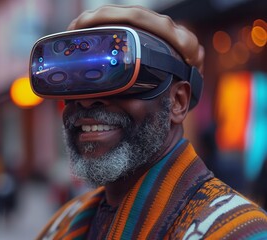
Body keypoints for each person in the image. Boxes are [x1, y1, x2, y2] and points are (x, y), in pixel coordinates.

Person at [29, 5, 267, 239]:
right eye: (74, 85)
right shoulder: (62, 225)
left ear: (177, 101)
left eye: (119, 75)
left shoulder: (240, 231)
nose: (87, 102)